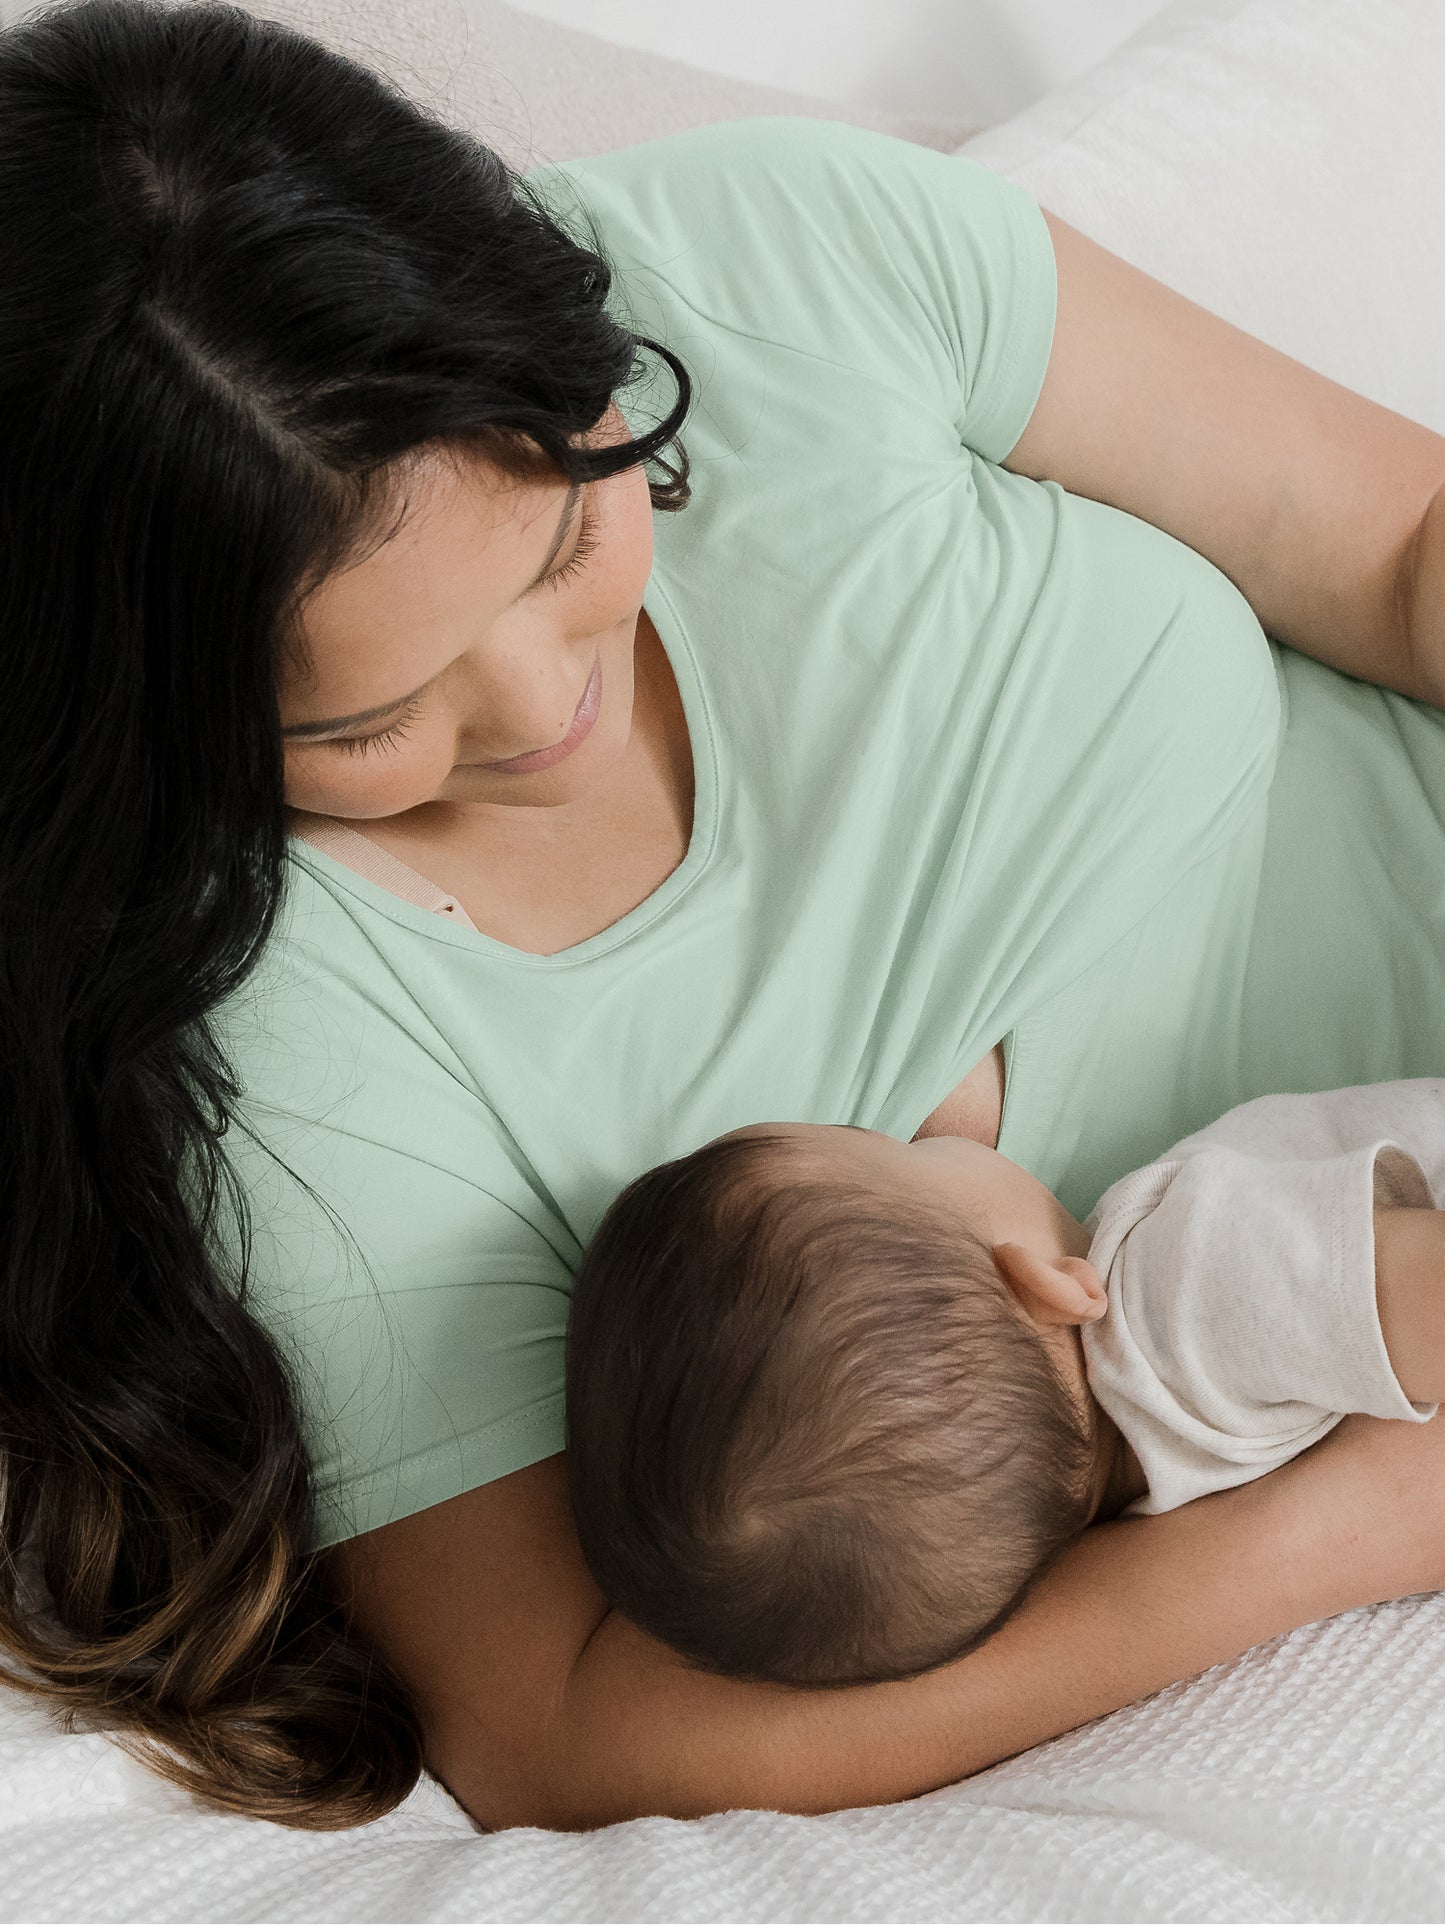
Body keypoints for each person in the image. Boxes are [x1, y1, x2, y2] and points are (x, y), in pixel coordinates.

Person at [5, 0, 1445, 1838]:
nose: (541, 713)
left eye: (564, 540)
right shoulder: (276, 1018)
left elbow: (1404, 548)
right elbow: (568, 1714)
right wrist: (1345, 1527)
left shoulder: (775, 259)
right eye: (368, 721)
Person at [563, 1078, 1445, 1688]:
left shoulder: (1150, 1491)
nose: (919, 1132)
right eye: (900, 1152)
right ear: (1047, 1284)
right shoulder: (1179, 1288)